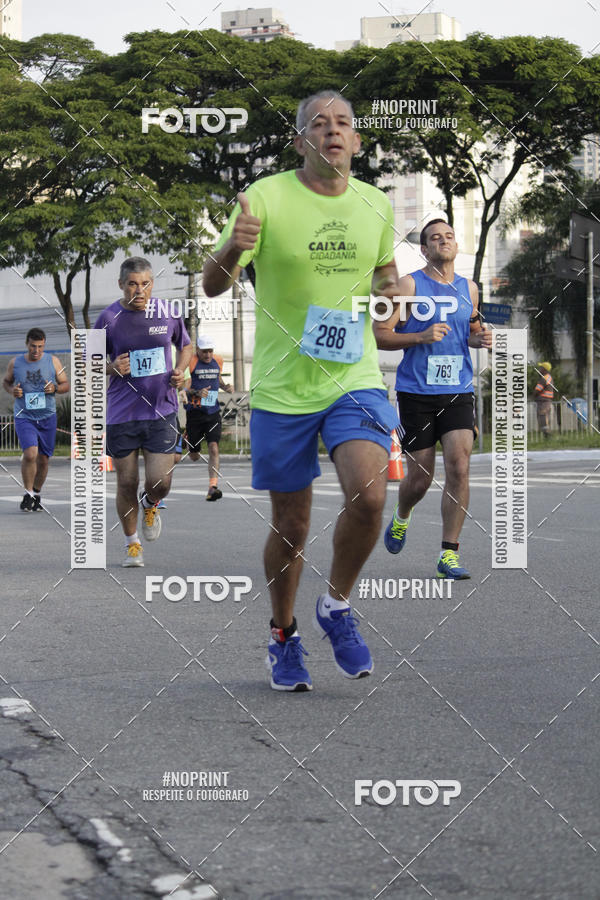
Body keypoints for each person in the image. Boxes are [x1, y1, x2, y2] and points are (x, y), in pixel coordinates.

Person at [203, 90, 400, 692]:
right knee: (291, 522)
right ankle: (283, 635)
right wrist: (236, 245)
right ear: (300, 142)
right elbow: (212, 286)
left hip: (353, 377)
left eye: (343, 123)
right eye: (319, 124)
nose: (332, 131)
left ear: (357, 141)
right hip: (283, 386)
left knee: (369, 496)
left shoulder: (377, 204)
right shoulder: (264, 198)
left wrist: (393, 297)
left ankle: (336, 606)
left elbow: (385, 278)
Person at [373, 219, 492, 579]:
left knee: (459, 466)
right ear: (424, 249)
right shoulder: (409, 285)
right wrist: (420, 336)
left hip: (457, 390)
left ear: (456, 245)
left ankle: (448, 553)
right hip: (416, 393)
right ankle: (402, 515)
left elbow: (469, 331)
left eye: (449, 236)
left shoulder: (468, 289)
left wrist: (480, 339)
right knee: (420, 480)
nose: (444, 241)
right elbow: (381, 335)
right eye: (435, 238)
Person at [94, 257, 192, 566]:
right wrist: (111, 367)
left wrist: (180, 370)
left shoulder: (168, 312)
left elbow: (186, 346)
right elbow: (87, 362)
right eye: (133, 284)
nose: (140, 290)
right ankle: (132, 543)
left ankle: (150, 502)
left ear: (152, 284)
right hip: (122, 413)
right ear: (121, 284)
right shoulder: (108, 318)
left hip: (161, 410)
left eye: (146, 283)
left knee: (160, 481)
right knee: (125, 482)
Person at [3, 328, 70, 511]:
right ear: (27, 344)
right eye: (33, 346)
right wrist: (12, 391)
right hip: (24, 416)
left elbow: (66, 385)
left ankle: (36, 493)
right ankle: (28, 493)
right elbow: (6, 382)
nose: (36, 350)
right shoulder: (15, 363)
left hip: (47, 416)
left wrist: (55, 388)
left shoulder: (53, 361)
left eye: (40, 347)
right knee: (31, 454)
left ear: (44, 345)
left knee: (44, 459)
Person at [184, 335, 233, 500]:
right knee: (194, 456)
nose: (208, 355)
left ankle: (213, 486)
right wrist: (197, 392)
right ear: (198, 350)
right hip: (195, 413)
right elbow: (184, 389)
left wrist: (226, 387)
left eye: (210, 351)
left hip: (212, 412)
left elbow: (217, 379)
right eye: (204, 352)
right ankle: (187, 438)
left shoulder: (218, 360)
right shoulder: (191, 361)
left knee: (214, 447)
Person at [533, 362, 554, 438]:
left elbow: (537, 390)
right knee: (544, 418)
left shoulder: (544, 378)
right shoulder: (548, 377)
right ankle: (547, 435)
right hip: (545, 401)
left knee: (543, 417)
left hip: (543, 402)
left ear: (544, 369)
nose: (539, 369)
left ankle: (547, 435)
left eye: (541, 368)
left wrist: (534, 395)